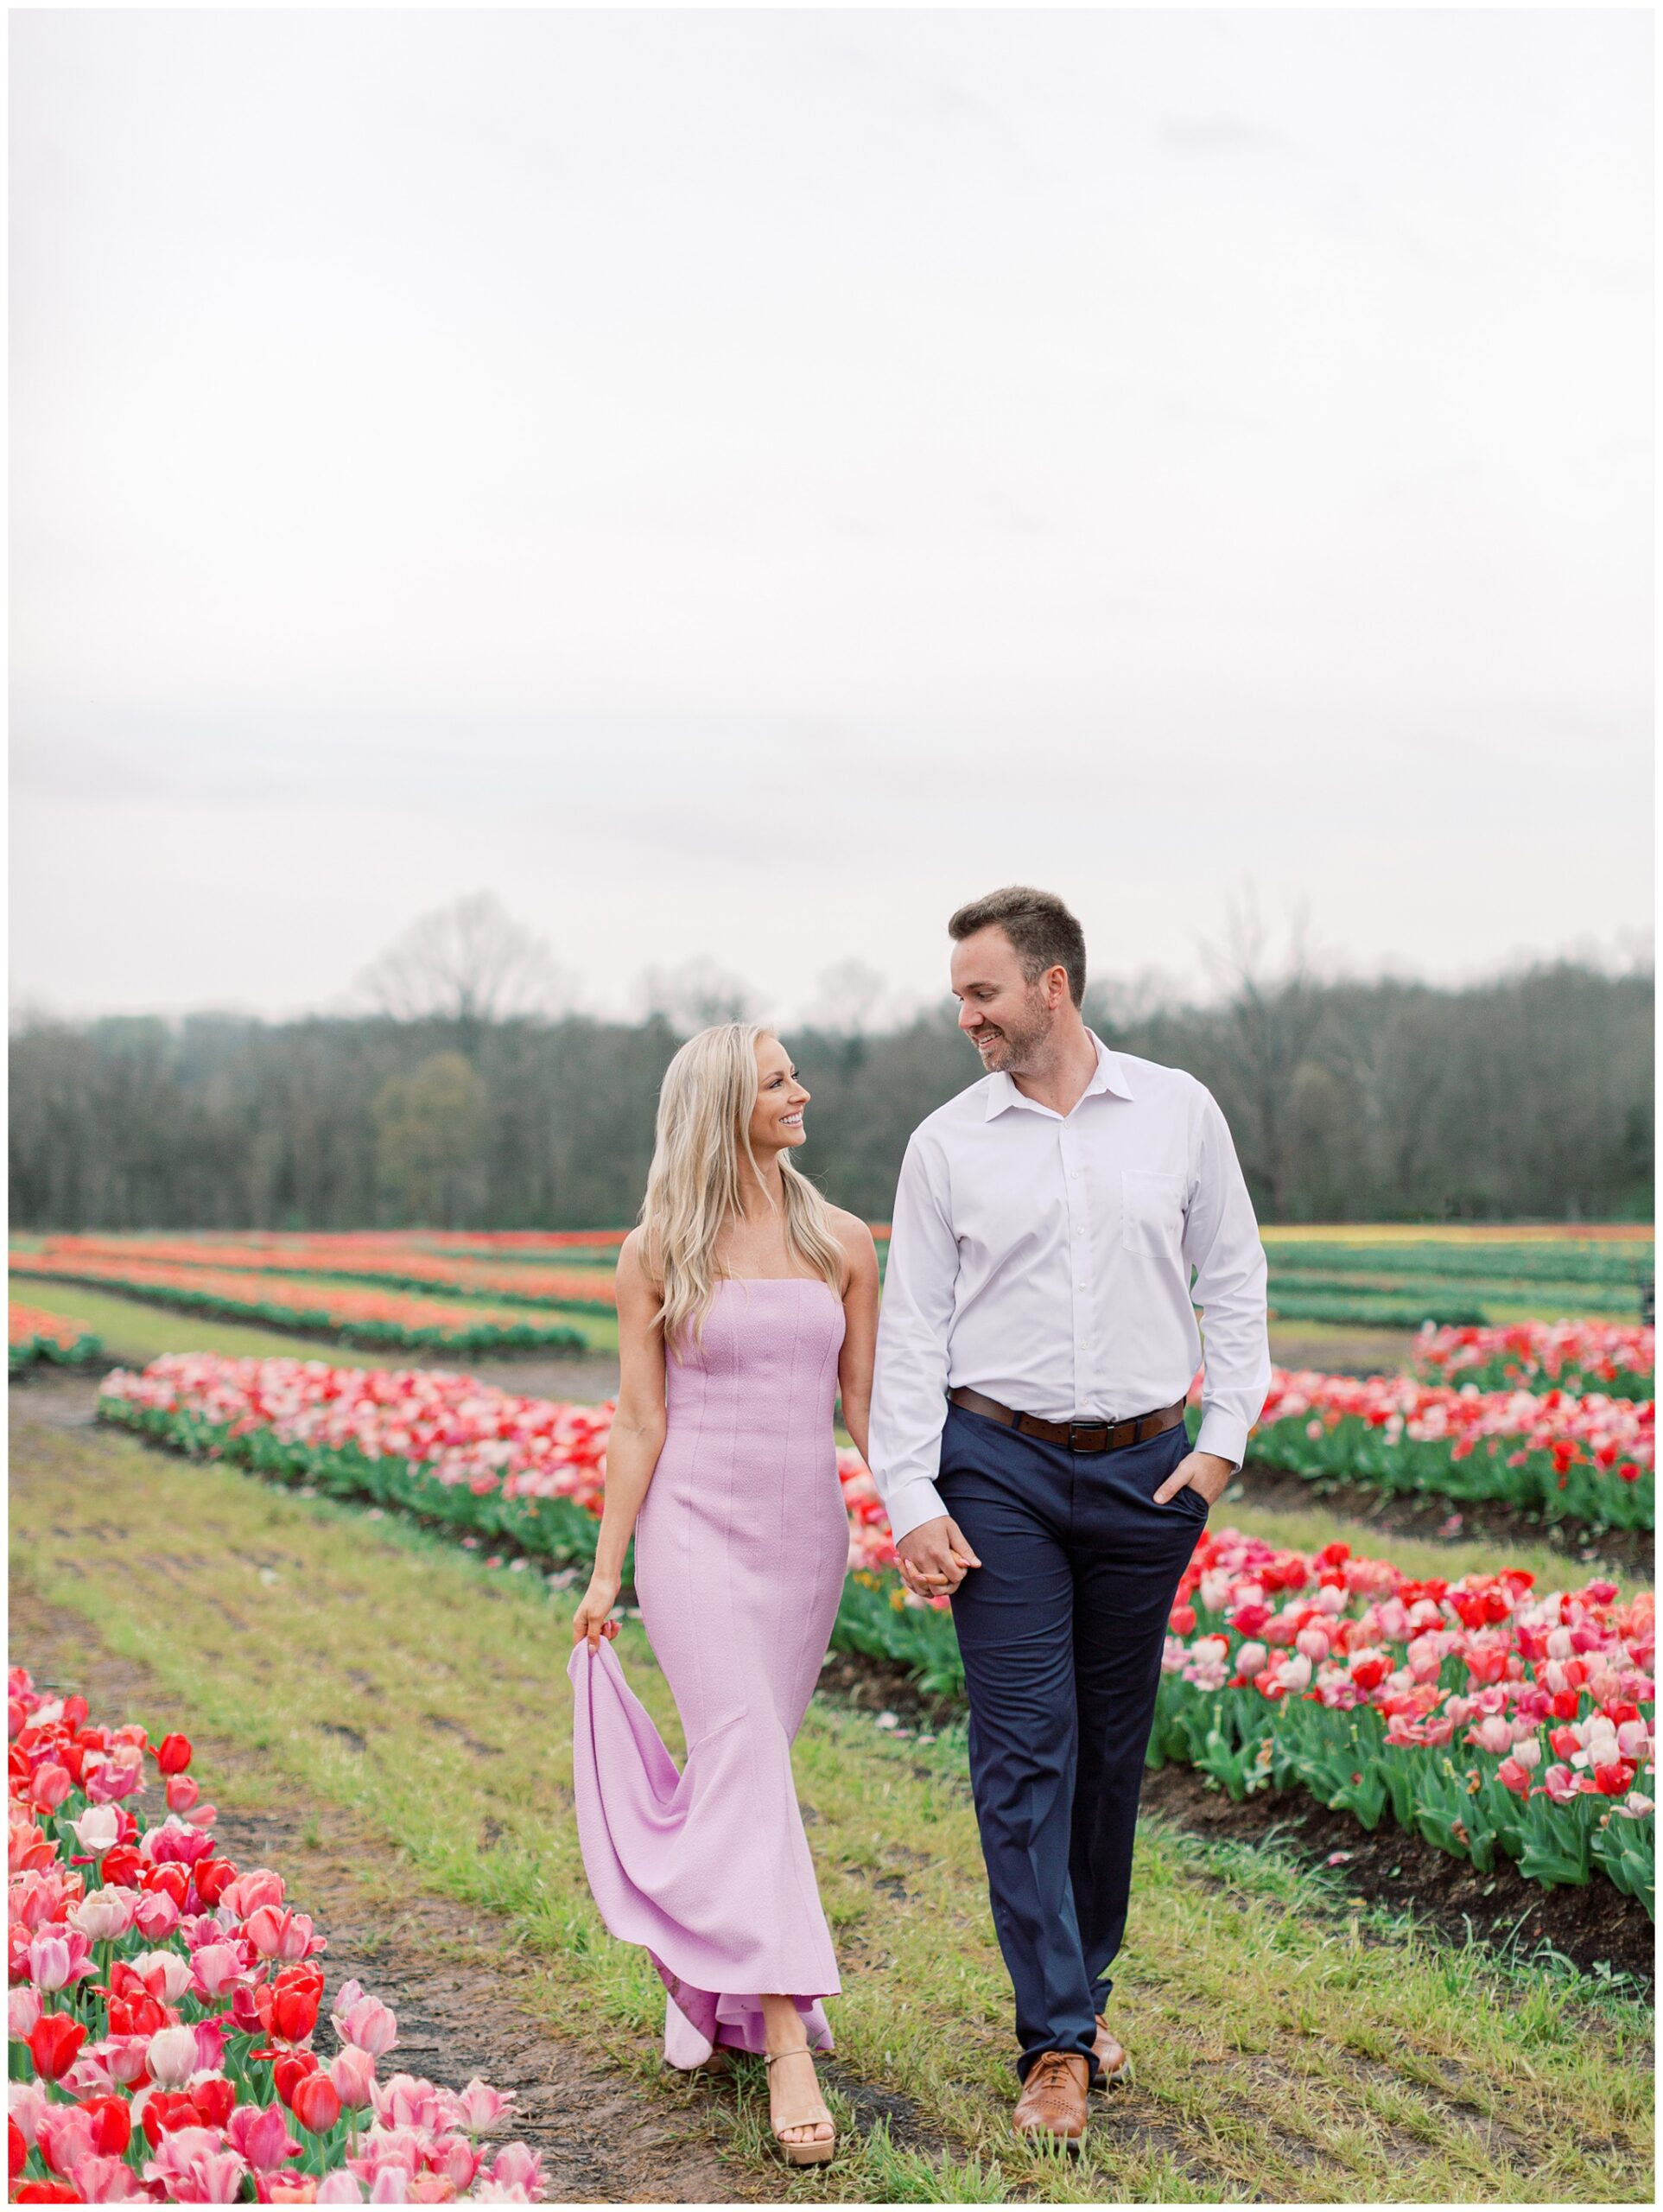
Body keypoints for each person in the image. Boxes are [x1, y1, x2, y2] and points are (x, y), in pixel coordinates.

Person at [866, 886, 1270, 2150]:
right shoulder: (946, 1145)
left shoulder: (1178, 1113)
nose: (966, 1017)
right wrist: (911, 1494)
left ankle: (1081, 2001)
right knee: (1024, 1750)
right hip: (1000, 1469)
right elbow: (909, 1333)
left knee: (1105, 1754)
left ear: (1051, 985)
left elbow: (1238, 1283)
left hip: (1148, 1474)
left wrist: (1217, 1450)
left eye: (980, 993)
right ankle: (1052, 2040)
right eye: (957, 998)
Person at [567, 1023, 879, 2167]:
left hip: (802, 1543)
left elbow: (864, 1410)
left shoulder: (841, 1240)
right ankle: (787, 2041)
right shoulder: (654, 1252)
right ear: (719, 1104)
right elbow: (639, 1419)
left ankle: (707, 1982)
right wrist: (606, 1572)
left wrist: (933, 1509)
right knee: (745, 1756)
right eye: (777, 1080)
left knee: (746, 1775)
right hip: (690, 1534)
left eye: (797, 1070)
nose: (803, 1090)